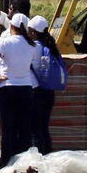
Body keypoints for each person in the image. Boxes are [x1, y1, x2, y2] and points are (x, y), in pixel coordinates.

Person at [0, 13, 39, 167]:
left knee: (8, 128)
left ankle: (6, 163)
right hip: (25, 88)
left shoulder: (5, 43)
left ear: (11, 26)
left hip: (6, 88)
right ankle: (23, 164)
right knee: (24, 127)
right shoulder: (32, 44)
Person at [28, 15, 61, 154]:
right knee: (44, 128)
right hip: (49, 92)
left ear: (34, 32)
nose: (27, 33)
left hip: (36, 92)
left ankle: (38, 161)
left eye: (29, 31)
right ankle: (48, 157)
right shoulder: (51, 46)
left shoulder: (34, 47)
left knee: (35, 129)